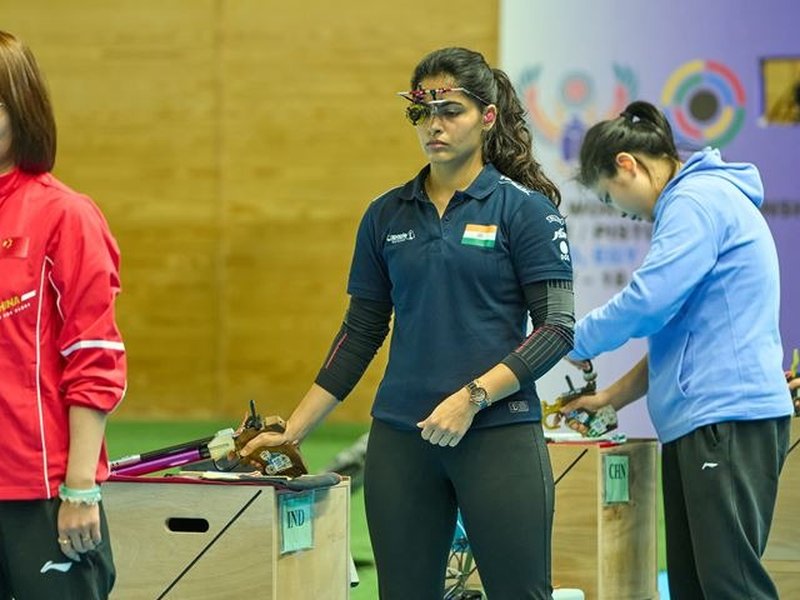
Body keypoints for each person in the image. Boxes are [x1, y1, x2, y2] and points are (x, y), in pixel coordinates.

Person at [240, 47, 574, 599]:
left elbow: (557, 328)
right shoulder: (384, 215)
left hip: (498, 435)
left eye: (451, 111)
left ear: (487, 117)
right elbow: (359, 333)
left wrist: (472, 397)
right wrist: (292, 431)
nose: (434, 125)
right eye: (423, 112)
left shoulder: (527, 210)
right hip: (402, 440)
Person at [561, 100, 793, 599]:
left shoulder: (696, 202)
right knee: (695, 589)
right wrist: (610, 400)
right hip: (706, 422)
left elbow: (647, 303)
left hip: (726, 420)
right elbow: (675, 333)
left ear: (627, 164)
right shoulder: (697, 203)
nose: (621, 213)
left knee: (731, 587)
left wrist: (568, 338)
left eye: (611, 197)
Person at [0, 31, 125, 599]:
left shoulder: (64, 215)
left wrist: (79, 488)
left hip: (40, 494)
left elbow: (94, 359)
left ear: (20, 108)